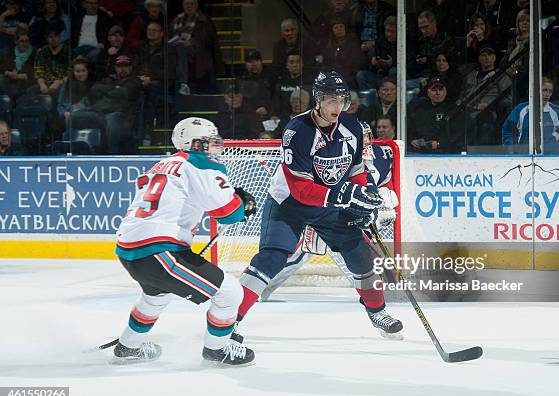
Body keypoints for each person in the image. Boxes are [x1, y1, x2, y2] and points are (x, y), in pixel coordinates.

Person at [233, 70, 404, 341]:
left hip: (328, 203)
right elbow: (301, 190)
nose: (337, 107)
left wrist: (364, 198)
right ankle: (227, 320)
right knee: (271, 259)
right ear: (317, 100)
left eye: (341, 101)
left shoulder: (354, 129)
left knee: (360, 255)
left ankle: (378, 312)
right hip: (288, 204)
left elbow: (356, 171)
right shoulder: (297, 131)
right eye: (330, 100)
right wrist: (347, 196)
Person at [112, 117, 257, 366]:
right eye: (209, 142)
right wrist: (243, 204)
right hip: (160, 250)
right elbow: (229, 212)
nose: (214, 148)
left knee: (156, 296)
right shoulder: (199, 164)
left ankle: (128, 347)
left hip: (130, 249)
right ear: (195, 144)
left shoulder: (162, 164)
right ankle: (217, 350)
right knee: (230, 292)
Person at [260, 122, 398, 301]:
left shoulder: (380, 156)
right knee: (296, 255)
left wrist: (381, 208)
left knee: (362, 262)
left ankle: (376, 298)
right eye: (360, 135)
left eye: (366, 135)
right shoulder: (339, 152)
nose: (364, 140)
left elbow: (385, 190)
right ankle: (259, 286)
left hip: (354, 220)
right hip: (329, 214)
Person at [501, 76, 559, 154]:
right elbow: (507, 130)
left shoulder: (557, 111)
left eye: (550, 91)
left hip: (552, 158)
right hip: (525, 157)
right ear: (536, 90)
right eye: (545, 90)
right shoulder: (520, 109)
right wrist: (511, 150)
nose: (548, 94)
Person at [407, 77, 464, 154]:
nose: (438, 93)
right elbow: (411, 128)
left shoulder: (454, 110)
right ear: (428, 93)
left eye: (440, 89)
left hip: (446, 152)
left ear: (445, 92)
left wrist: (439, 143)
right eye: (434, 90)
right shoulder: (420, 109)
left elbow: (458, 133)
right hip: (420, 152)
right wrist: (413, 140)